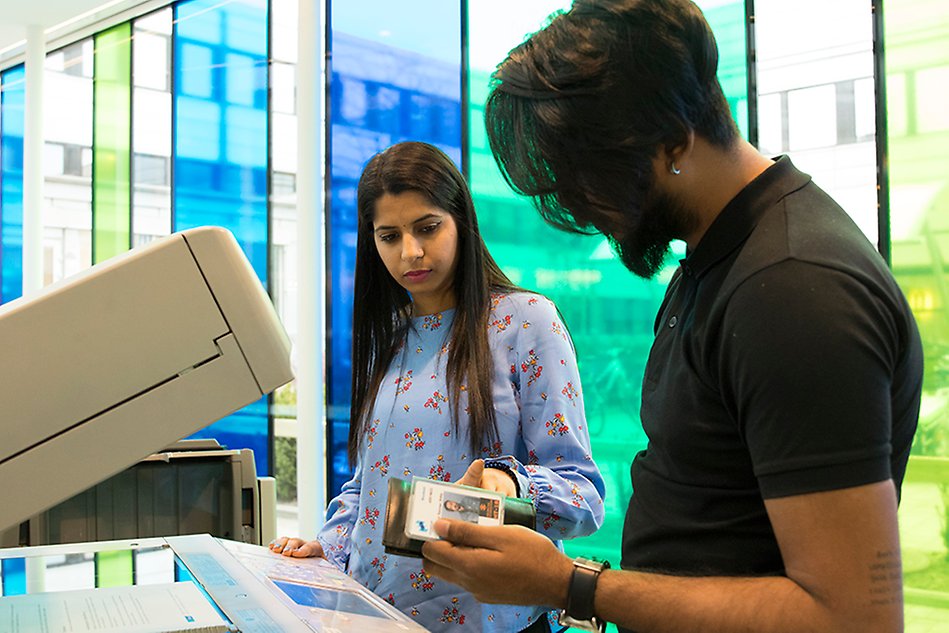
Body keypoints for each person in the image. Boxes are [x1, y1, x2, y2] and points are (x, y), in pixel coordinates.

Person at [420, 2, 923, 633]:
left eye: (590, 180)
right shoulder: (718, 260)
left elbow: (851, 617)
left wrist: (569, 585)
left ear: (674, 143)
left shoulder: (794, 289)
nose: (583, 211)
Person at [270, 141, 605, 633]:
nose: (411, 252)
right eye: (389, 236)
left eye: (427, 228)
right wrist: (332, 543)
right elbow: (369, 486)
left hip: (492, 620)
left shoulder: (524, 321)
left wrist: (507, 484)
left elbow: (583, 497)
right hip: (376, 616)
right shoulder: (390, 337)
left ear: (461, 221)